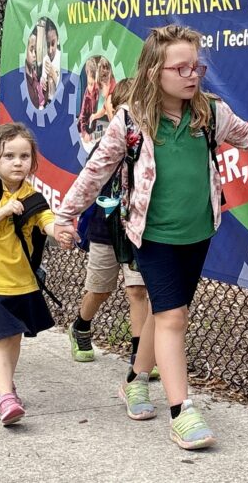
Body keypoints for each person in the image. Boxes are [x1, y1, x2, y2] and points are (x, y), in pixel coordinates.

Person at [54, 24, 248, 450]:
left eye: (196, 66)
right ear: (153, 71)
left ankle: (135, 380)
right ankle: (182, 410)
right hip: (152, 236)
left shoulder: (210, 113)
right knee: (174, 318)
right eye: (180, 68)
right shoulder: (132, 121)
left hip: (198, 233)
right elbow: (97, 170)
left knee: (167, 316)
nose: (192, 74)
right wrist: (64, 216)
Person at [0, 123, 73, 426]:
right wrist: (3, 211)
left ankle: (2, 385)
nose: (17, 162)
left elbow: (46, 220)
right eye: (9, 155)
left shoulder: (33, 195)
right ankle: (7, 397)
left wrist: (59, 233)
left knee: (14, 338)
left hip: (22, 281)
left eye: (24, 156)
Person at [68, 79, 151, 372]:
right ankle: (81, 325)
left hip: (136, 230)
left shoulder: (148, 147)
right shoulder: (103, 148)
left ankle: (140, 355)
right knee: (100, 289)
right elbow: (90, 184)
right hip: (105, 230)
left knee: (137, 291)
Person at [39, 19, 60, 103]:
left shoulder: (62, 58)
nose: (50, 50)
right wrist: (42, 81)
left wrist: (53, 74)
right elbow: (43, 80)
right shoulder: (45, 59)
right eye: (48, 45)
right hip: (48, 103)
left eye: (53, 43)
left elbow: (65, 89)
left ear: (58, 40)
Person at [24, 32, 44, 109]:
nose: (34, 55)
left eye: (35, 51)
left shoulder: (34, 75)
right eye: (31, 50)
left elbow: (40, 100)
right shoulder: (22, 78)